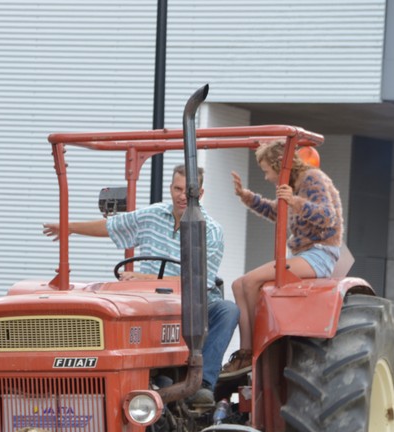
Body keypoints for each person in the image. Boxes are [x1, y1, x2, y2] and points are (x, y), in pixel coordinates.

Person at [43, 164, 240, 404]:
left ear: (200, 193)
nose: (182, 196)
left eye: (188, 191)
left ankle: (202, 383)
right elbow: (112, 226)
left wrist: (146, 278)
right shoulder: (153, 215)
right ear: (170, 188)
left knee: (227, 310)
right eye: (177, 189)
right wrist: (69, 228)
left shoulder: (211, 231)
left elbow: (197, 281)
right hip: (153, 302)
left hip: (194, 304)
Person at [221, 140, 343, 378]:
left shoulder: (311, 178)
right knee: (238, 284)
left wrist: (294, 201)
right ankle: (245, 352)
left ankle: (257, 349)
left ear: (279, 164)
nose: (266, 177)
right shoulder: (293, 186)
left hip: (320, 252)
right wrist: (245, 196)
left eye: (266, 170)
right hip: (303, 253)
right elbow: (277, 212)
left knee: (250, 282)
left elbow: (328, 217)